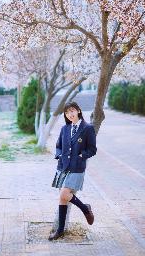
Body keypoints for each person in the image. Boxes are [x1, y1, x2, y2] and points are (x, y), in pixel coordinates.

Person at [48, 101, 97, 241]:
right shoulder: (64, 128)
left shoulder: (87, 128)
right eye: (67, 112)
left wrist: (81, 156)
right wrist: (58, 155)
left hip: (77, 167)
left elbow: (92, 149)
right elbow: (58, 145)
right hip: (63, 166)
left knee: (64, 193)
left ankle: (85, 208)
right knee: (62, 197)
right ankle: (60, 230)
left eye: (72, 110)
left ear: (78, 111)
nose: (70, 114)